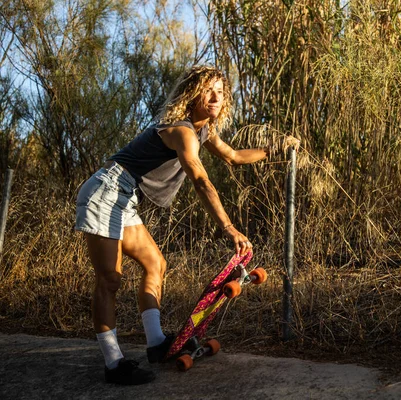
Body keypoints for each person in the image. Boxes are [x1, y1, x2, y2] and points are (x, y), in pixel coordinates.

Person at [75, 65, 299, 385]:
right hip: (106, 191)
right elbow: (199, 177)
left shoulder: (203, 131)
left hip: (125, 198)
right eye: (208, 89)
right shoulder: (180, 129)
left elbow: (232, 156)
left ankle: (155, 344)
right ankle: (114, 364)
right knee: (110, 279)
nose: (215, 97)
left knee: (155, 264)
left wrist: (275, 149)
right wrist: (229, 227)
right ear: (192, 93)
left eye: (220, 92)